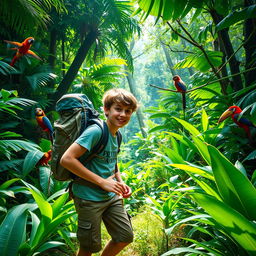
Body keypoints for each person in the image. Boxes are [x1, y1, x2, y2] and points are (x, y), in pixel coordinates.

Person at [60, 88, 138, 256]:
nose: (123, 114)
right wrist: (102, 181)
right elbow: (67, 159)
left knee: (125, 236)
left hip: (111, 197)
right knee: (88, 247)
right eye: (118, 109)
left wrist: (120, 181)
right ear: (106, 110)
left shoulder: (117, 135)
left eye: (128, 111)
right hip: (88, 198)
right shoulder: (95, 131)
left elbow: (111, 160)